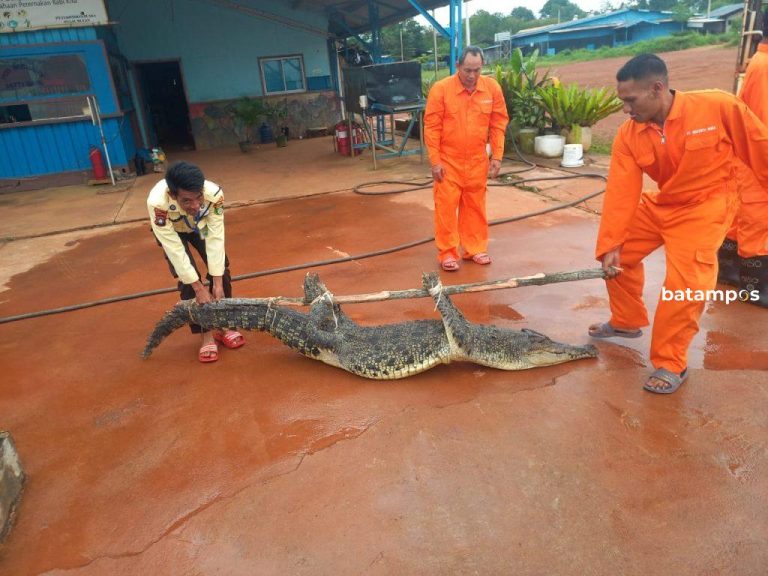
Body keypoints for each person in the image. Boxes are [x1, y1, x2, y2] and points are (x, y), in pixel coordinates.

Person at [589, 54, 768, 394]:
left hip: (706, 206)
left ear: (657, 88)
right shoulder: (629, 135)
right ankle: (626, 321)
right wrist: (612, 242)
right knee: (615, 254)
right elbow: (621, 192)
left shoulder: (717, 107)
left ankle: (671, 361)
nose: (625, 109)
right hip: (665, 202)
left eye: (631, 100)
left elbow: (761, 150)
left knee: (685, 284)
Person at [147, 161, 245, 363]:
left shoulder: (214, 194)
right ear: (173, 195)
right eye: (187, 201)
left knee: (221, 269)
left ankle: (224, 325)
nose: (196, 205)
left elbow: (215, 237)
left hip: (201, 226)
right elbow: (175, 251)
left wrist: (217, 283)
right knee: (188, 279)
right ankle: (206, 333)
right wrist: (199, 288)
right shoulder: (157, 204)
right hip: (173, 233)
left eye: (199, 197)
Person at [424, 46, 509, 272]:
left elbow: (498, 124)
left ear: (482, 67)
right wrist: (435, 161)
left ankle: (475, 249)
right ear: (458, 66)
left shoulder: (491, 88)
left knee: (475, 206)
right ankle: (448, 253)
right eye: (467, 70)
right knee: (446, 207)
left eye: (477, 70)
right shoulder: (441, 90)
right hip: (448, 161)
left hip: (477, 160)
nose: (472, 75)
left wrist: (497, 156)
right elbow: (431, 128)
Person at [717, 9, 768, 307]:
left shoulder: (760, 61)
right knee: (758, 222)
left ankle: (729, 272)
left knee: (741, 219)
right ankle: (756, 289)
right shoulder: (766, 66)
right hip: (759, 160)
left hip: (750, 158)